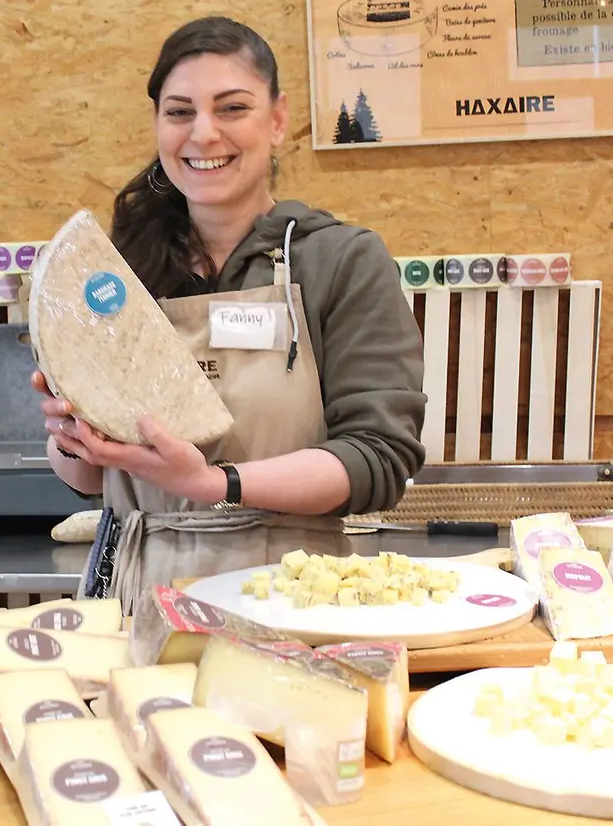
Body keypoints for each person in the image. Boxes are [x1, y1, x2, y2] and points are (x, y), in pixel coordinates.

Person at [31, 15, 427, 614]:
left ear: (277, 119)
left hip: (292, 598)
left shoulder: (341, 260)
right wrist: (72, 438)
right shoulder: (114, 269)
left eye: (232, 108)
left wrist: (218, 485)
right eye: (181, 111)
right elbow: (88, 481)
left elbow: (378, 459)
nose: (204, 133)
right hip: (133, 600)